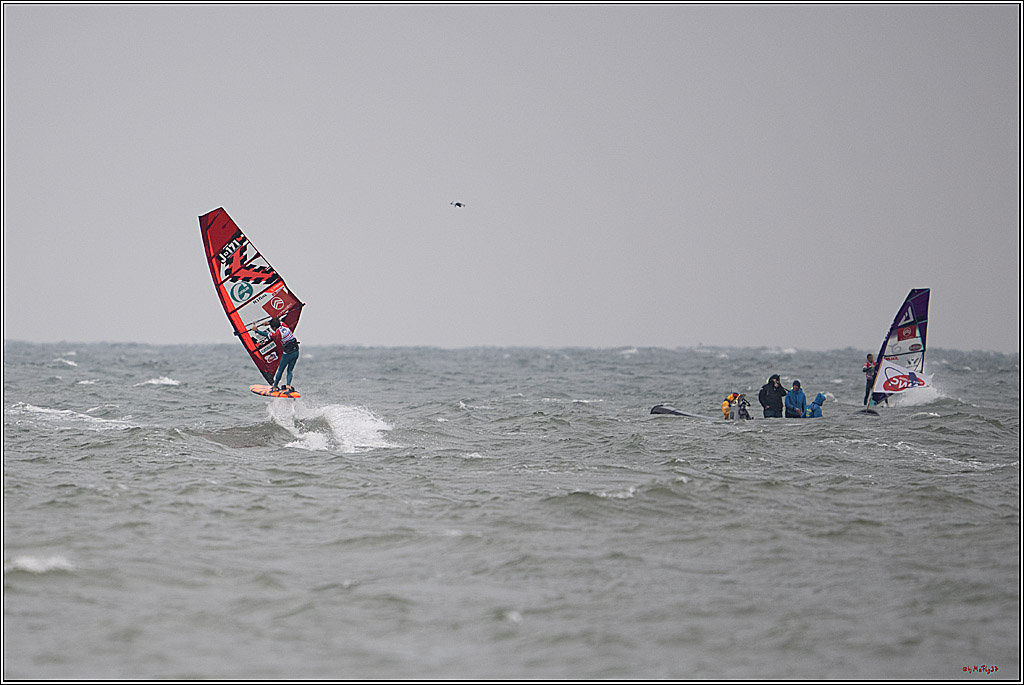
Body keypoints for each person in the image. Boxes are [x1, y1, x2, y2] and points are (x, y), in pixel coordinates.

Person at [254, 317, 300, 392]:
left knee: (280, 370)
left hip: (287, 354)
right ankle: (288, 385)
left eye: (272, 327)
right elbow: (278, 321)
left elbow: (267, 334)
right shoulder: (283, 325)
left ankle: (275, 386)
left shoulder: (277, 334)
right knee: (290, 370)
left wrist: (257, 330)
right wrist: (268, 323)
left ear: (274, 327)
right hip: (296, 352)